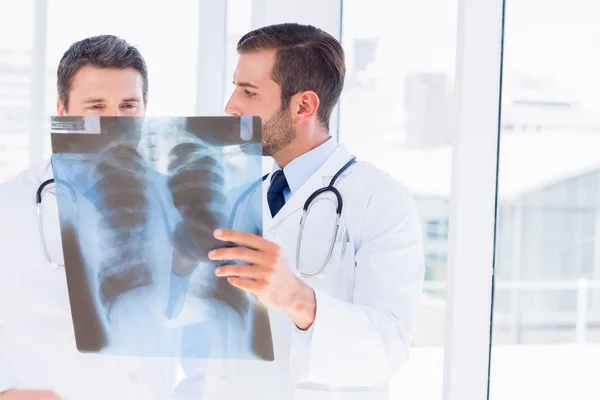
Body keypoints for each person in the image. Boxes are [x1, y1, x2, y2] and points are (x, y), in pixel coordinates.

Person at [178, 22, 425, 400]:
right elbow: (204, 343)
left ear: (303, 106)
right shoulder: (237, 198)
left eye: (249, 91)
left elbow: (389, 346)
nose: (231, 106)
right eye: (235, 87)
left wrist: (298, 298)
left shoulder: (382, 201)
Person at [0, 35, 189, 400]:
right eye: (96, 106)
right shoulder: (9, 205)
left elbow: (207, 350)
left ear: (145, 108)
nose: (114, 123)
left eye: (128, 106)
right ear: (63, 111)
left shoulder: (179, 205)